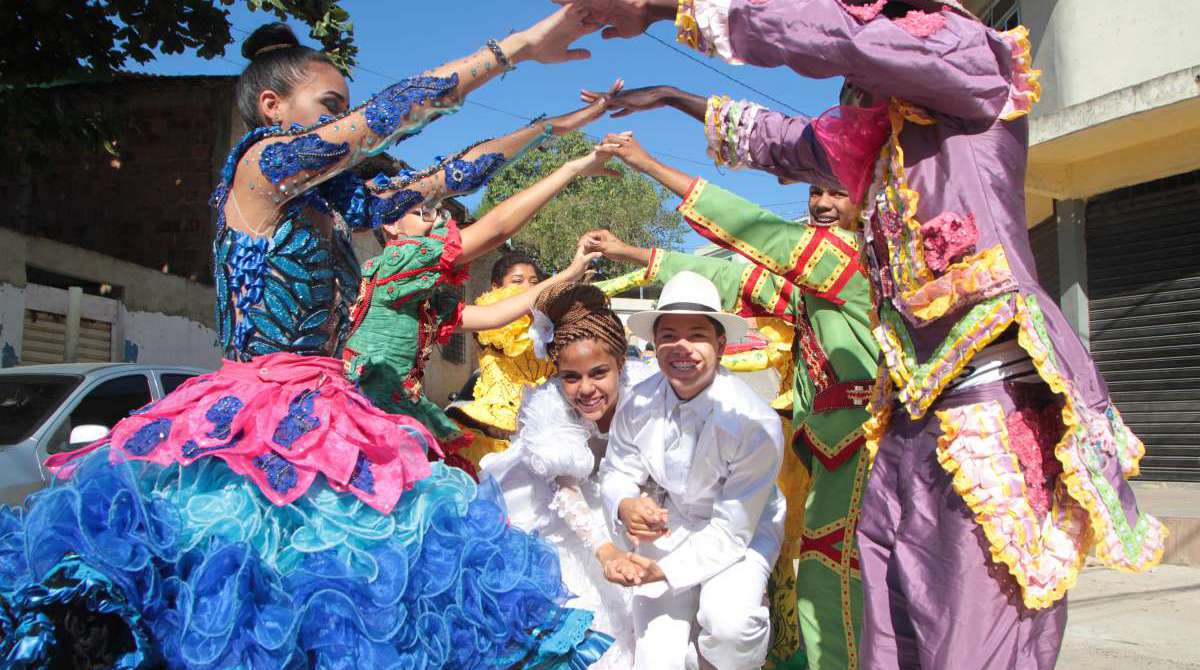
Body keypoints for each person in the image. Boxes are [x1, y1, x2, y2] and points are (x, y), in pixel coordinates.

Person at [0, 14, 619, 667]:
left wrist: (553, 131)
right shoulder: (261, 168)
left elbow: (451, 179)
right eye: (330, 108)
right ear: (271, 105)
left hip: (331, 417)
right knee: (244, 597)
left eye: (342, 112)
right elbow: (393, 113)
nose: (343, 125)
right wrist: (516, 47)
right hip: (249, 424)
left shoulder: (332, 204)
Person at [564, 1, 1167, 668]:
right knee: (888, 624)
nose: (823, 197)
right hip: (909, 418)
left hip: (986, 409)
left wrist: (667, 8)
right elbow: (784, 144)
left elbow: (845, 45)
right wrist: (674, 95)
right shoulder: (880, 149)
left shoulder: (973, 63)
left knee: (969, 633)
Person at [584, 132, 878, 669]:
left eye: (837, 191)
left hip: (865, 455)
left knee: (811, 588)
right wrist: (631, 252)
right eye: (815, 191)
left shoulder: (856, 264)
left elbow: (755, 230)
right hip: (822, 454)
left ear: (722, 344)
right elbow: (733, 275)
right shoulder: (811, 284)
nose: (821, 205)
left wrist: (649, 162)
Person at [343, 144, 620, 479]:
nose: (437, 223)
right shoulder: (400, 262)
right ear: (390, 226)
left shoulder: (420, 298)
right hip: (369, 417)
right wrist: (570, 170)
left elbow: (495, 316)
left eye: (438, 213)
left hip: (392, 414)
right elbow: (497, 229)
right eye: (423, 213)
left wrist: (567, 275)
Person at [600, 271, 787, 670]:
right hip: (672, 525)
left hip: (744, 533)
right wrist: (624, 505)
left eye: (697, 334)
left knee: (729, 627)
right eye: (669, 335)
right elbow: (616, 468)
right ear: (654, 342)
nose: (681, 347)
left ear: (721, 344)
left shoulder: (755, 422)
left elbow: (733, 527)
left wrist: (664, 571)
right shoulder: (637, 402)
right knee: (656, 659)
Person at [480, 282, 657, 669]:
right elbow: (567, 489)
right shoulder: (549, 407)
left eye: (598, 373)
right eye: (571, 377)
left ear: (621, 365)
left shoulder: (648, 395)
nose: (587, 389)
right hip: (568, 519)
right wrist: (606, 551)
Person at [449, 252, 556, 470]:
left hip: (546, 424)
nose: (527, 287)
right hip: (491, 428)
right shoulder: (491, 317)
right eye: (517, 281)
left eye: (534, 282)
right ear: (496, 288)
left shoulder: (548, 321)